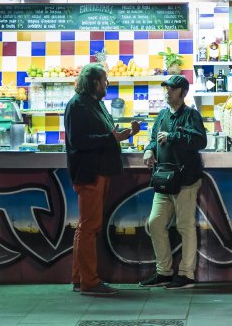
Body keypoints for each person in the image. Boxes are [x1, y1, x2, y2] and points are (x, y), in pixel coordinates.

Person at [65, 64, 139, 297]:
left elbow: (106, 136)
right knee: (89, 227)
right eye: (104, 80)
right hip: (90, 173)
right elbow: (79, 141)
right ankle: (90, 282)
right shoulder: (77, 105)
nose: (107, 84)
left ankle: (79, 278)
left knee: (86, 227)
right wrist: (111, 136)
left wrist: (125, 134)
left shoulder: (95, 104)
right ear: (94, 82)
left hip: (99, 171)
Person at [140, 75, 207, 290]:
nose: (168, 92)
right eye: (166, 88)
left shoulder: (191, 115)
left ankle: (186, 274)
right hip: (164, 179)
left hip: (186, 180)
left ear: (184, 92)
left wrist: (173, 136)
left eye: (173, 89)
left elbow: (199, 140)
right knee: (155, 223)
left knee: (185, 226)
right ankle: (164, 272)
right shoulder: (161, 115)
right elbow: (153, 137)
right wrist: (149, 149)